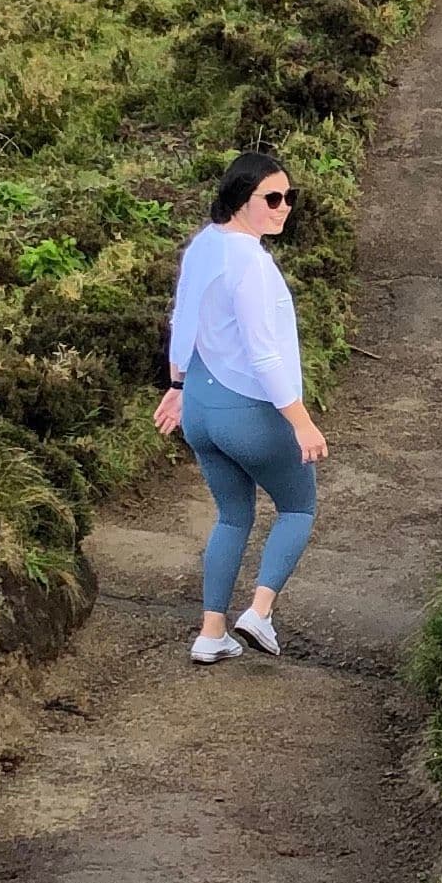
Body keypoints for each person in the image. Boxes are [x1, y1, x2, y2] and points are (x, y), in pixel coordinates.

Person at [155, 150, 327, 664]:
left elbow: (183, 319)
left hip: (201, 408)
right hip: (245, 410)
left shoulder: (203, 246)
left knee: (232, 516)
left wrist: (177, 385)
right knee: (298, 507)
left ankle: (212, 633)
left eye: (289, 197)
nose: (284, 207)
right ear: (239, 198)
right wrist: (301, 421)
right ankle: (259, 612)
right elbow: (264, 354)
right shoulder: (252, 263)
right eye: (271, 198)